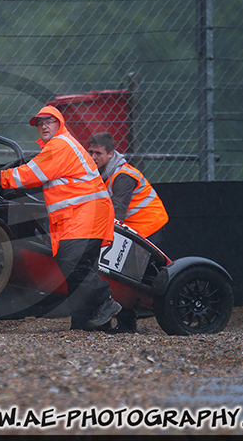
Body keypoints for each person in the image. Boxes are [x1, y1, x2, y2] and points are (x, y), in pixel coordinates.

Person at [0, 105, 122, 331]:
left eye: (49, 122)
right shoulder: (60, 146)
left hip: (86, 215)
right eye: (40, 124)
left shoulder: (59, 145)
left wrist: (1, 177)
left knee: (71, 264)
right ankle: (87, 325)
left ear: (59, 123)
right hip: (84, 215)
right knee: (79, 272)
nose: (43, 126)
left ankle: (105, 301)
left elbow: (31, 175)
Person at [87, 131, 169, 333]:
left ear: (111, 154)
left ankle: (127, 324)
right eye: (90, 152)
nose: (93, 157)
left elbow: (116, 214)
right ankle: (124, 323)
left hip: (148, 226)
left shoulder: (122, 176)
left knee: (127, 276)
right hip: (134, 228)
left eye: (98, 153)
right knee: (122, 274)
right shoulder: (104, 174)